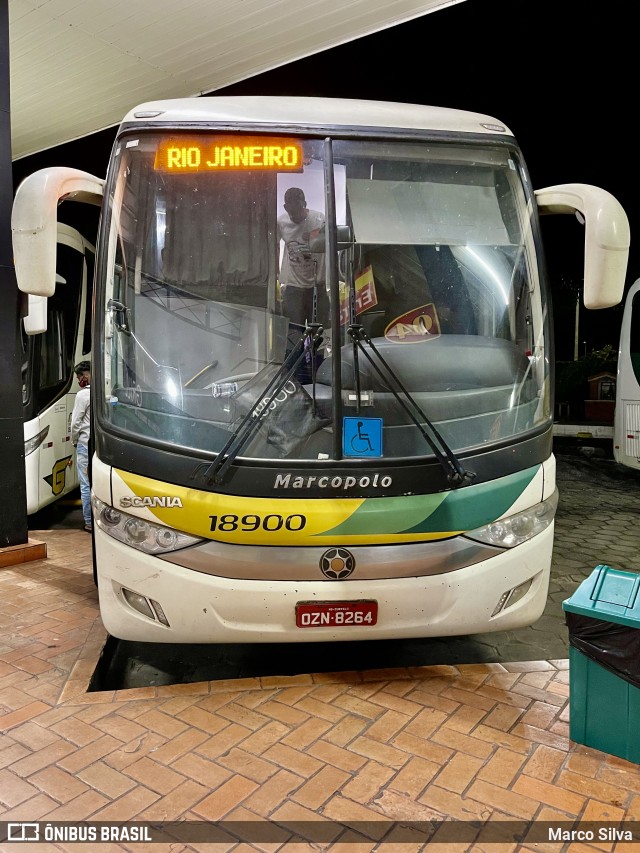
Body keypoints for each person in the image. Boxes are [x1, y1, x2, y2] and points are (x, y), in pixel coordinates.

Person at [277, 187, 329, 328]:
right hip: (294, 286)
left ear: (304, 204)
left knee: (320, 333)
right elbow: (273, 246)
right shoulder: (281, 223)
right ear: (286, 208)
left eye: (298, 210)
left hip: (317, 285)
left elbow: (329, 246)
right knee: (294, 334)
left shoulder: (319, 219)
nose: (295, 216)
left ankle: (316, 351)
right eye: (291, 212)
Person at [70, 361, 92, 532]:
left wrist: (74, 440)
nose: (80, 380)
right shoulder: (105, 393)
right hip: (99, 445)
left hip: (84, 444)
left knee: (85, 484)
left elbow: (75, 423)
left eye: (79, 377)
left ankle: (89, 522)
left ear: (85, 375)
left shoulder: (82, 395)